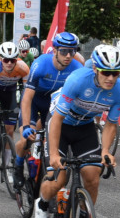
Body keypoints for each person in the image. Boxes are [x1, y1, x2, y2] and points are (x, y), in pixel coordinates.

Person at [31, 44, 120, 218]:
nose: (111, 78)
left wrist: (105, 151)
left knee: (93, 177)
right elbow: (56, 120)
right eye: (106, 72)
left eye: (115, 73)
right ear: (95, 69)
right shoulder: (77, 80)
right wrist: (55, 156)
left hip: (85, 128)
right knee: (58, 178)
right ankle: (41, 205)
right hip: (61, 124)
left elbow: (111, 124)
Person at [14, 32, 83, 189]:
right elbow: (26, 98)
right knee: (27, 138)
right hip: (34, 102)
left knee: (57, 136)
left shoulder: (76, 68)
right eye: (64, 51)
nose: (68, 55)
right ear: (55, 50)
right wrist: (25, 126)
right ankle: (18, 166)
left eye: (72, 51)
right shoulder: (40, 64)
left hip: (53, 105)